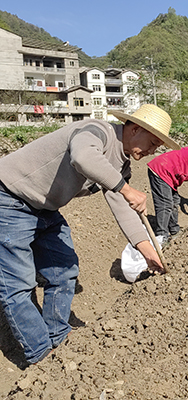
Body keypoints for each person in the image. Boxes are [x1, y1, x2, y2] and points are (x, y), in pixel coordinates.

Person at [0, 104, 178, 365]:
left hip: (45, 208)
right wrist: (127, 189)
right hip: (9, 197)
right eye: (152, 143)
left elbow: (123, 208)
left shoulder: (122, 165)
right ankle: (41, 354)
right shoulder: (96, 131)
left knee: (64, 271)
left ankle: (59, 335)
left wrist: (148, 251)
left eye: (157, 147)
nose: (152, 151)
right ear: (135, 129)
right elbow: (82, 157)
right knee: (18, 284)